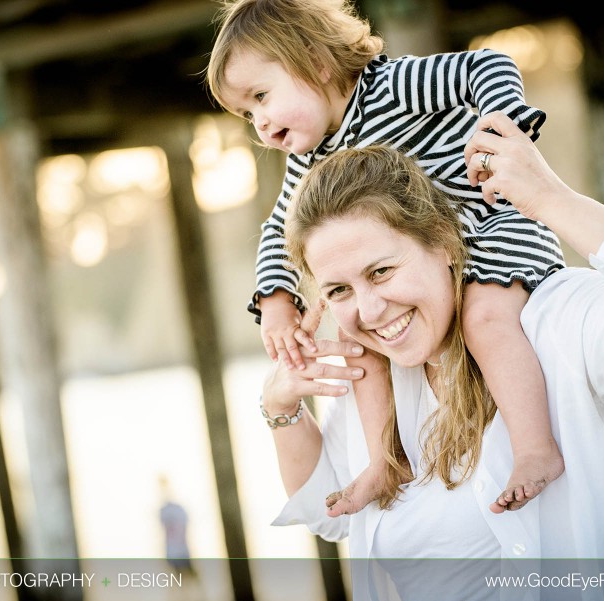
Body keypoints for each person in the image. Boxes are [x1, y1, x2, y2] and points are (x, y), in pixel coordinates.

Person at [258, 113, 604, 600]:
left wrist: (551, 199)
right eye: (339, 290)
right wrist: (282, 410)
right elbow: (328, 514)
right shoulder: (381, 383)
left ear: (444, 244)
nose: (368, 309)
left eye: (382, 271)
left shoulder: (552, 326)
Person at [207, 0, 565, 517]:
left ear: (317, 61)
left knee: (485, 319)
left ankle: (535, 449)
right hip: (423, 265)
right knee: (359, 338)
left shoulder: (390, 87)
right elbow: (278, 228)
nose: (260, 123)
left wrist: (497, 124)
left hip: (491, 227)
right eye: (247, 113)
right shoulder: (308, 158)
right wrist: (276, 300)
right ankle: (383, 460)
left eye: (262, 96)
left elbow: (488, 66)